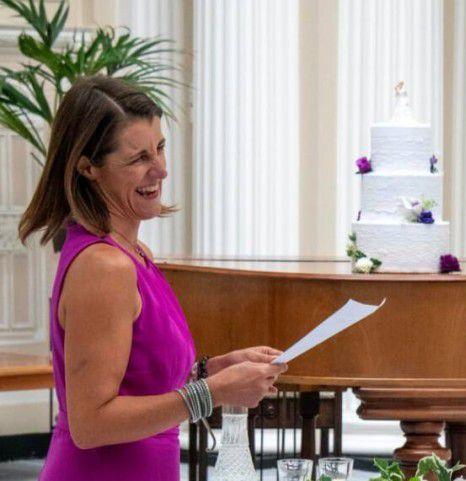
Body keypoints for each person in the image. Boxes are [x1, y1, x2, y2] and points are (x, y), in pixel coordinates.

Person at [18, 75, 288, 481]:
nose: (161, 170)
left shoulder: (134, 253)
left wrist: (213, 370)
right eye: (138, 158)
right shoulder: (104, 267)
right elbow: (90, 423)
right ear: (88, 168)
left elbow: (140, 380)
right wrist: (212, 393)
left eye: (160, 148)